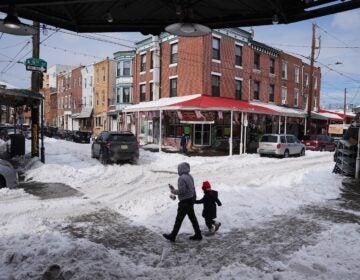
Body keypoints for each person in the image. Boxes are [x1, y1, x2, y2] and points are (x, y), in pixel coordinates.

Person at [163, 162, 202, 242]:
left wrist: (173, 191)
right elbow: (192, 188)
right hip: (190, 199)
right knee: (193, 218)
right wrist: (193, 198)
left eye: (178, 169)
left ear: (181, 169)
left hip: (185, 201)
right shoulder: (189, 176)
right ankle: (198, 234)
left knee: (179, 219)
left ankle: (172, 236)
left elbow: (182, 191)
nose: (178, 170)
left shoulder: (181, 178)